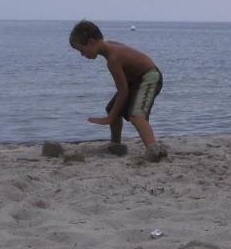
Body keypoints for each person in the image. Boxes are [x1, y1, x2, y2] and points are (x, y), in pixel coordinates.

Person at [69, 20, 167, 160]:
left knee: (136, 115)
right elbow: (124, 88)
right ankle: (116, 146)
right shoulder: (110, 47)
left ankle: (153, 150)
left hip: (149, 77)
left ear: (91, 42)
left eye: (81, 50)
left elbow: (123, 92)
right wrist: (112, 114)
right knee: (112, 108)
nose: (82, 55)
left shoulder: (113, 59)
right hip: (135, 80)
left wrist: (109, 119)